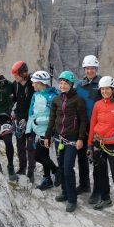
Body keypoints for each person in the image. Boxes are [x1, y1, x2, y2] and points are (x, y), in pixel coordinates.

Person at [87, 76, 114, 226]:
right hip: (98, 143)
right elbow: (93, 124)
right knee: (101, 173)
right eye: (102, 89)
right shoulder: (98, 105)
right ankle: (106, 199)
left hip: (113, 146)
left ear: (113, 90)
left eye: (107, 89)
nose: (105, 91)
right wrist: (89, 145)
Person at [44, 71, 88, 213]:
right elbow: (52, 120)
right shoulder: (56, 100)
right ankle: (64, 192)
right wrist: (47, 136)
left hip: (72, 139)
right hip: (58, 138)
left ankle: (72, 199)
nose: (62, 85)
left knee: (68, 168)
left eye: (65, 83)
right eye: (61, 83)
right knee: (61, 166)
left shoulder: (77, 100)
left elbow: (83, 121)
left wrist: (81, 138)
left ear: (71, 84)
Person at [25, 71, 59, 190]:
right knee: (44, 155)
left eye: (34, 83)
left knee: (38, 156)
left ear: (40, 83)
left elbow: (53, 117)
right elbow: (31, 113)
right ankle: (47, 179)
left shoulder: (52, 97)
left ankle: (56, 171)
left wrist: (38, 121)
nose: (32, 85)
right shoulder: (35, 95)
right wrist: (28, 131)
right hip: (37, 132)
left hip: (47, 132)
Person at [75, 55, 102, 199]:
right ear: (84, 69)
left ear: (96, 69)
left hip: (97, 128)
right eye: (87, 68)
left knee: (97, 158)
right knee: (81, 156)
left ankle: (98, 190)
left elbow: (113, 99)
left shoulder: (102, 84)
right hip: (82, 127)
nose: (89, 71)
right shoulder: (79, 85)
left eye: (92, 68)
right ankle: (85, 184)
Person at [11, 61, 36, 181]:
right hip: (19, 118)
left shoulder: (33, 84)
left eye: (17, 75)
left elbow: (36, 104)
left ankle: (31, 171)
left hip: (30, 120)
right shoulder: (15, 85)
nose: (15, 77)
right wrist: (14, 114)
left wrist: (28, 119)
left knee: (30, 146)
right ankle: (22, 167)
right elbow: (14, 100)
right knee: (20, 145)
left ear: (24, 73)